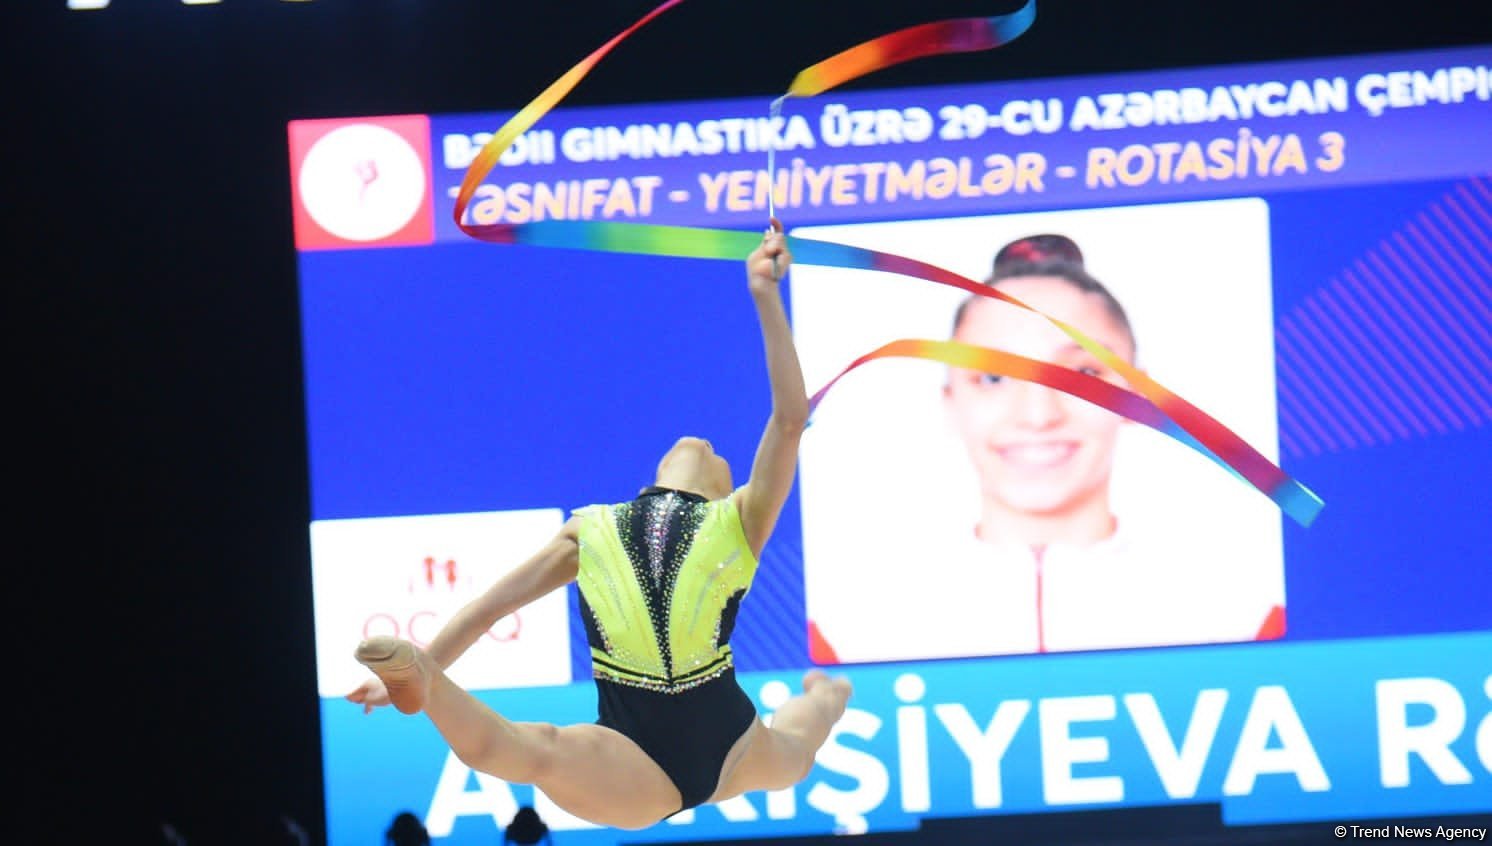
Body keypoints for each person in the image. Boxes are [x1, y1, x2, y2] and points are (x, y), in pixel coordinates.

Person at [346, 222, 853, 831]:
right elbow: (486, 607)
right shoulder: (601, 531)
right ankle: (419, 679)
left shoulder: (733, 519)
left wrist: (766, 300)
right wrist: (427, 662)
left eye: (716, 453)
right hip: (648, 755)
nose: (704, 446)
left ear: (726, 481)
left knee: (797, 748)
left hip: (722, 739)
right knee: (531, 750)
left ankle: (828, 694)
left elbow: (791, 419)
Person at [809, 233, 1280, 663]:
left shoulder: (1245, 616)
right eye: (993, 377)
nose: (1038, 415)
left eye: (1082, 376)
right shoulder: (847, 633)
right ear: (950, 401)